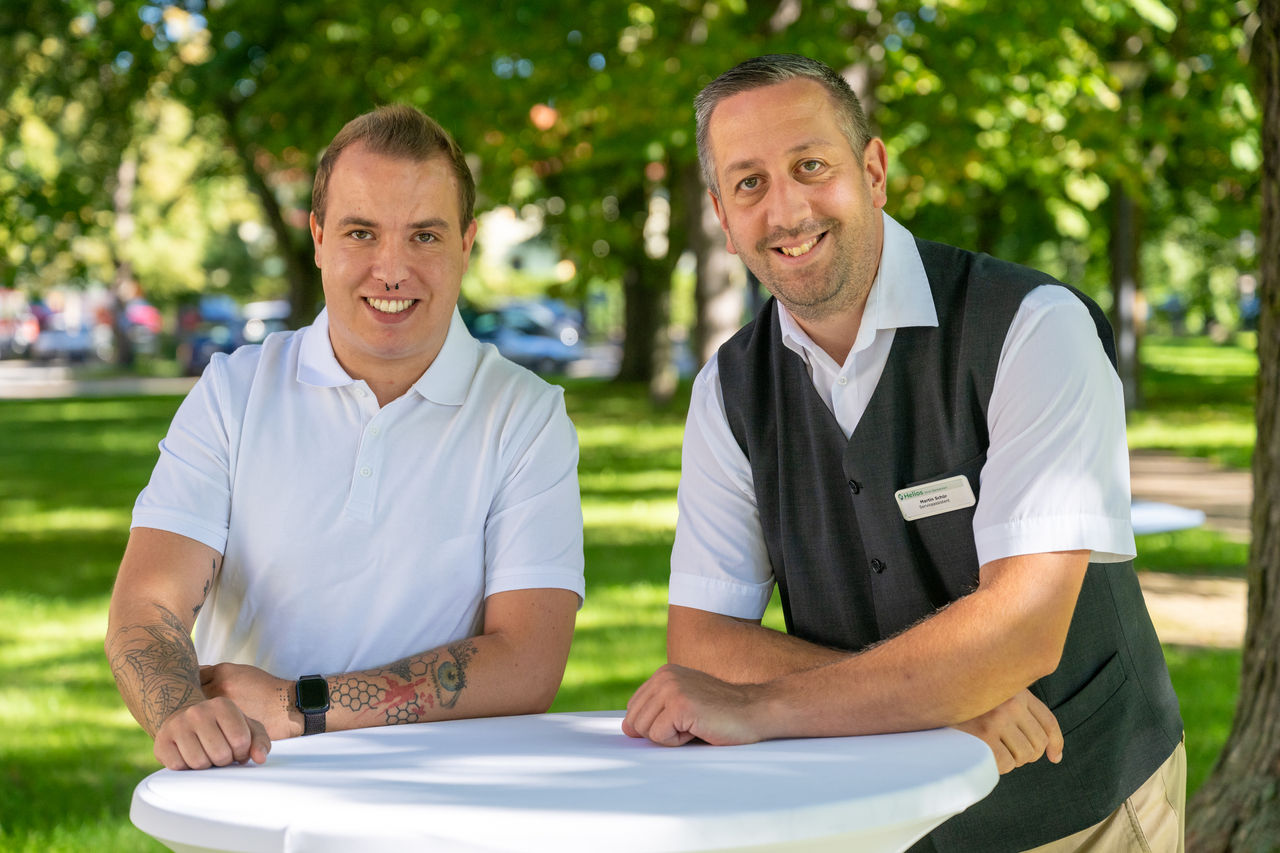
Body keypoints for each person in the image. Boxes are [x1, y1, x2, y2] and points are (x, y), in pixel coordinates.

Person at [622, 55, 1184, 852]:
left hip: (1080, 807)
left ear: (874, 170)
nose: (785, 209)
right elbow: (705, 642)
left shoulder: (1032, 327)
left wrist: (764, 705)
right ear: (720, 211)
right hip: (877, 822)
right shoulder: (729, 388)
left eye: (810, 165)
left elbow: (1020, 632)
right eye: (748, 183)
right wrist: (947, 697)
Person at [106, 105, 584, 772]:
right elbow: (147, 604)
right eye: (362, 232)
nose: (392, 270)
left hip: (444, 803)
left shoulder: (525, 415)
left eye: (424, 236)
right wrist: (184, 712)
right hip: (253, 785)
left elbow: (528, 662)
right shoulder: (234, 392)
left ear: (466, 243)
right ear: (319, 237)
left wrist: (302, 705)